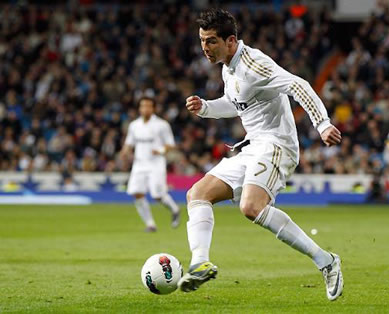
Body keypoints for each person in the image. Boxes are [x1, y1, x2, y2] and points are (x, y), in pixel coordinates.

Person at [179, 9, 343, 301]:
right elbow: (236, 103)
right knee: (197, 194)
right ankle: (199, 262)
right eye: (203, 41)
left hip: (277, 144)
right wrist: (206, 107)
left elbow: (298, 85)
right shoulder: (228, 66)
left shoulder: (254, 63)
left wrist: (322, 123)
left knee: (251, 207)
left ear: (231, 41)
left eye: (212, 41)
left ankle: (326, 261)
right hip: (253, 146)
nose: (205, 47)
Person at [121, 97, 180, 232]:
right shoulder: (134, 125)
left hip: (156, 164)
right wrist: (124, 153)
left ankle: (175, 209)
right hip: (139, 164)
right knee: (137, 193)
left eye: (148, 106)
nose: (145, 109)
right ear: (139, 108)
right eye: (143, 106)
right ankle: (150, 224)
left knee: (157, 195)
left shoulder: (162, 125)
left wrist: (159, 150)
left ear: (153, 108)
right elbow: (129, 143)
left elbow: (171, 145)